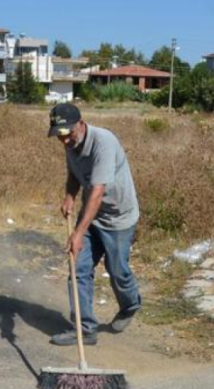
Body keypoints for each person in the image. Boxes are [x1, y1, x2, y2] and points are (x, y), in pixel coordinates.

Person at [48, 103, 142, 346]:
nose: (64, 141)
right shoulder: (70, 143)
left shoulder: (104, 143)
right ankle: (86, 329)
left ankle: (130, 304)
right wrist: (70, 195)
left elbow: (98, 192)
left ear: (81, 124)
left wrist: (78, 233)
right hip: (92, 216)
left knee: (117, 270)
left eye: (68, 134)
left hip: (118, 217)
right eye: (60, 136)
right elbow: (74, 173)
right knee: (78, 267)